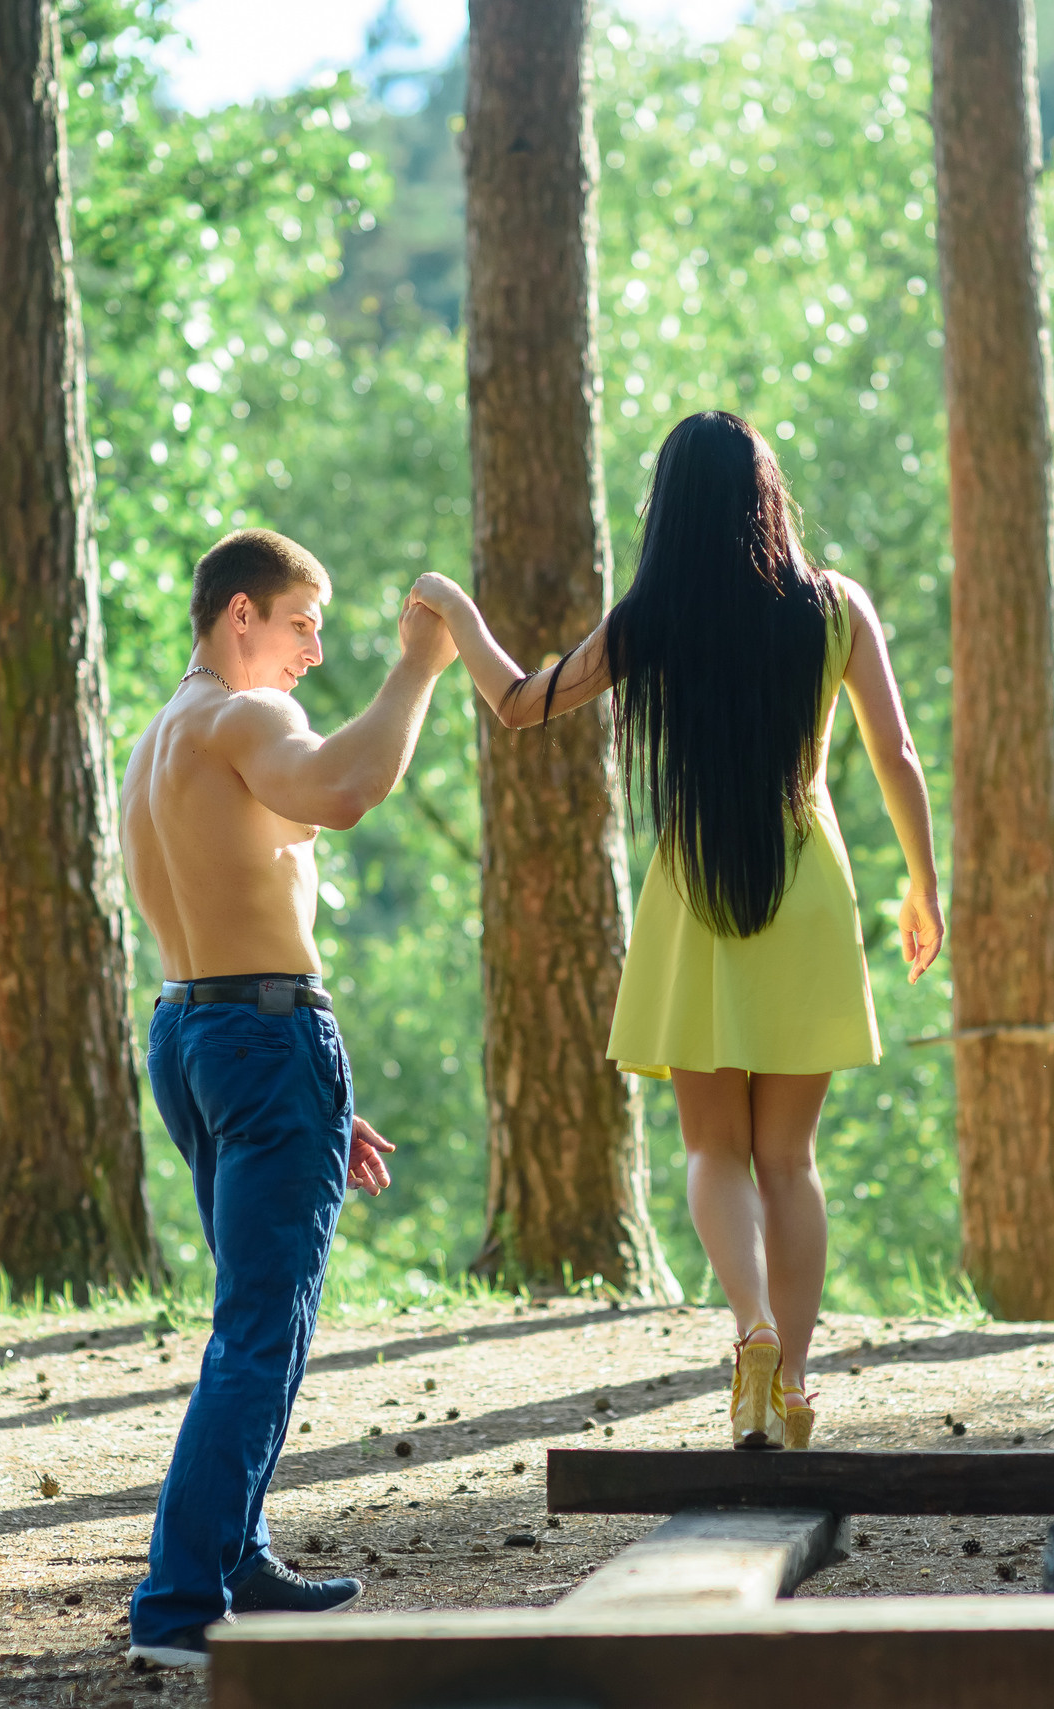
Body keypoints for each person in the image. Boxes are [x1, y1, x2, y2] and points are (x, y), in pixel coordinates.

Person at [409, 410, 943, 1452]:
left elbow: (518, 703)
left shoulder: (651, 618)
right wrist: (924, 884)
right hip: (808, 885)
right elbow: (899, 754)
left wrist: (452, 606)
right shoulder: (836, 606)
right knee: (789, 1158)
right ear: (766, 498)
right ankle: (793, 1381)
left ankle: (750, 1329)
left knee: (713, 1148)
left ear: (673, 511)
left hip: (696, 888)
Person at [119, 528, 456, 1666]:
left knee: (253, 1313)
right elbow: (350, 787)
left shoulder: (162, 736)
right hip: (260, 1034)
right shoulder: (244, 715)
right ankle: (179, 1605)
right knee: (260, 1332)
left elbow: (237, 887)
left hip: (195, 1030)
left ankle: (240, 1560)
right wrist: (422, 664)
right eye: (302, 622)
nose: (315, 649)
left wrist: (315, 1099)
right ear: (241, 614)